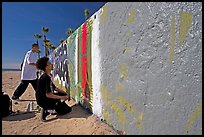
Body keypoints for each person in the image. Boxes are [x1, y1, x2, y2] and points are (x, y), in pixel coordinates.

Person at [35, 56, 71, 121]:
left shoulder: (49, 76)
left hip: (47, 98)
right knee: (67, 110)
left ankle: (54, 107)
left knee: (62, 96)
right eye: (49, 63)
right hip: (44, 101)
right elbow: (48, 95)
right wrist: (63, 98)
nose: (51, 64)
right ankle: (47, 110)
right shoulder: (45, 78)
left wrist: (66, 94)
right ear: (46, 67)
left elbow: (55, 88)